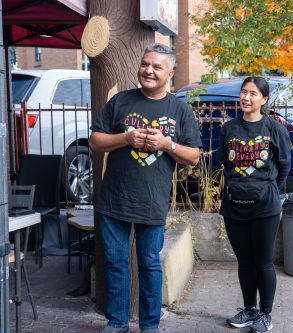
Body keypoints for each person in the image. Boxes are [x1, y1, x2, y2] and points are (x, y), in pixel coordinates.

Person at [89, 43, 202, 333]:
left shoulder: (179, 110)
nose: (149, 70)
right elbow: (95, 141)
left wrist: (167, 144)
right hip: (114, 200)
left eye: (157, 67)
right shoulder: (121, 102)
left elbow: (193, 157)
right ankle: (117, 323)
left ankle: (149, 326)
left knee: (150, 266)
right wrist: (126, 139)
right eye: (145, 64)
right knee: (115, 264)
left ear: (171, 73)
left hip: (152, 202)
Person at [218, 76, 291, 333]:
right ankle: (249, 310)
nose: (246, 98)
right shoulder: (228, 129)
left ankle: (265, 314)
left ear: (264, 99)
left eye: (253, 93)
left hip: (265, 208)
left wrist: (267, 188)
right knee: (244, 261)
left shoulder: (274, 128)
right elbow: (224, 163)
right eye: (243, 92)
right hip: (234, 206)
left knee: (263, 262)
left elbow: (285, 166)